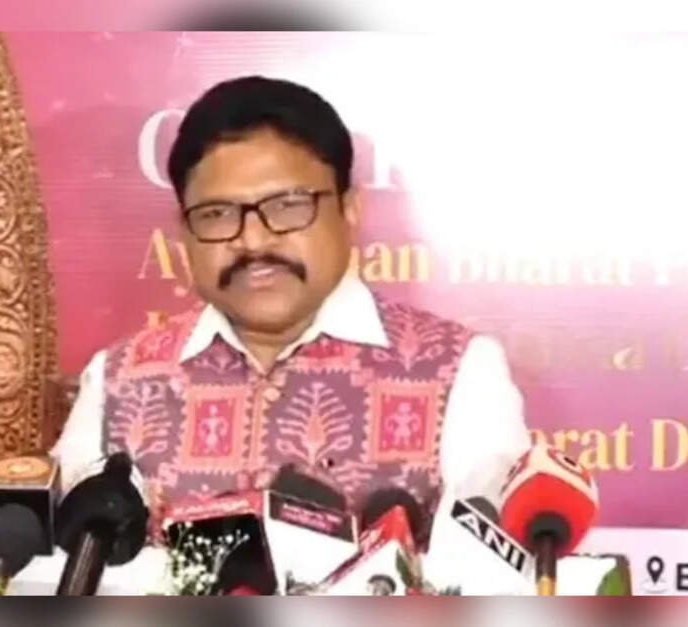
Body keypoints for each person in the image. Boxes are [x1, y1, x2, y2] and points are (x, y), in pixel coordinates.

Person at [52, 75, 530, 525]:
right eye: (218, 214)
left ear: (349, 209)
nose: (253, 241)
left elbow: (492, 570)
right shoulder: (118, 380)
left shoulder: (459, 371)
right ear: (185, 231)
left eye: (287, 206)